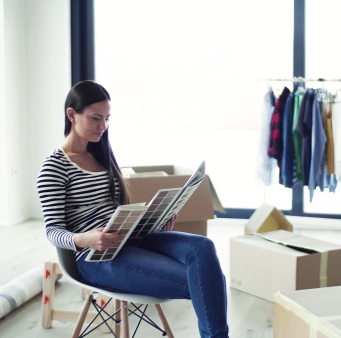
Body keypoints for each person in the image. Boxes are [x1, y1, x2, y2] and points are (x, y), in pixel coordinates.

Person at [36, 80, 229, 338]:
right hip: (94, 257)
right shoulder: (54, 167)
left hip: (130, 239)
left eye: (107, 119)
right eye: (96, 118)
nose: (103, 127)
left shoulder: (101, 155)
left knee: (203, 247)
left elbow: (115, 210)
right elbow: (53, 231)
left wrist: (155, 220)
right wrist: (84, 239)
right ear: (72, 114)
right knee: (204, 280)